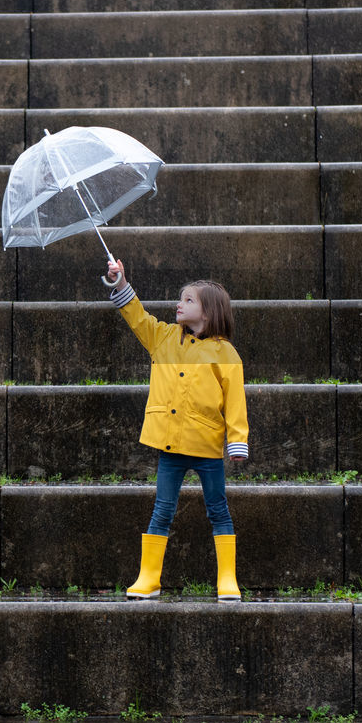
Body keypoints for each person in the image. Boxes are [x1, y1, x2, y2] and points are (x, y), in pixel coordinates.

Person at [104, 257, 248, 603]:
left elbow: (235, 400)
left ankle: (227, 577)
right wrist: (121, 283)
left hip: (207, 445)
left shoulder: (225, 353)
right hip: (170, 444)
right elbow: (137, 317)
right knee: (162, 508)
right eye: (180, 299)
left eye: (187, 300)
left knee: (218, 508)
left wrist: (237, 440)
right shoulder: (165, 337)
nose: (178, 305)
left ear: (209, 313)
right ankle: (149, 577)